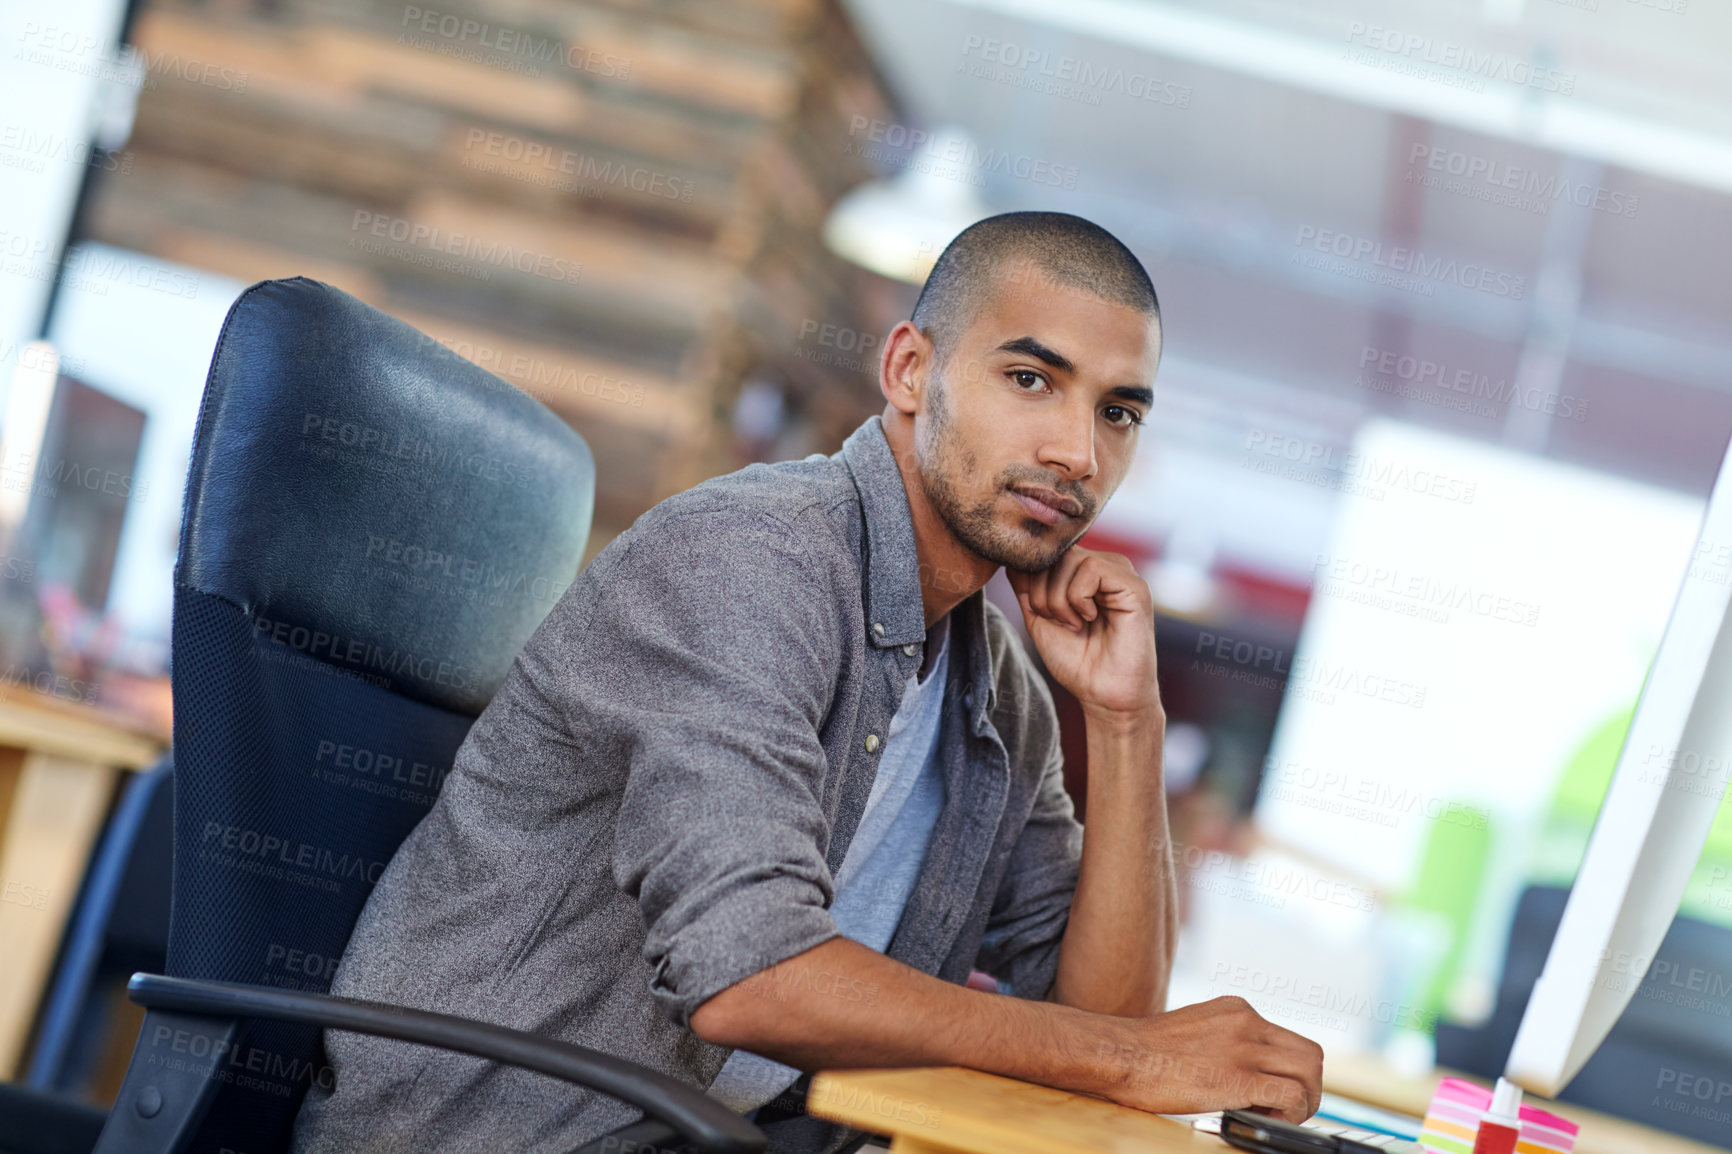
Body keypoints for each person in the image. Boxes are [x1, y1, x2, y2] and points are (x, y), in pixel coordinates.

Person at [290, 211, 1323, 1154]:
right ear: (912, 370)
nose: (1075, 451)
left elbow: (1109, 1015)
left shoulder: (999, 684)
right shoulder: (750, 562)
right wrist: (1129, 1060)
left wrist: (1124, 717)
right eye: (1029, 380)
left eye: (1118, 413)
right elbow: (751, 972)